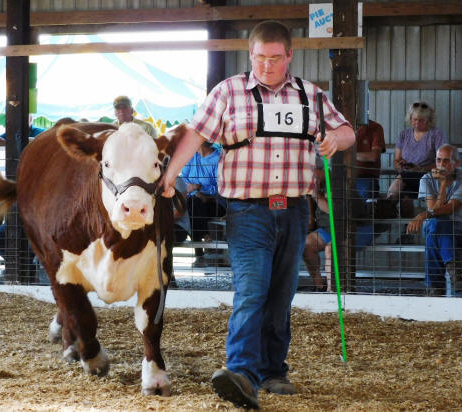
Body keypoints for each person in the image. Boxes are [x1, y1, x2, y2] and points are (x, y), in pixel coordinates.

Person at [160, 20, 355, 409]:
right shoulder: (228, 91)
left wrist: (336, 138)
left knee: (281, 293)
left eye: (275, 58)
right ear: (250, 54)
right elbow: (196, 133)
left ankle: (273, 370)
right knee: (252, 289)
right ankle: (241, 373)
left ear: (289, 55)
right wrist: (170, 176)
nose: (267, 65)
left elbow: (348, 131)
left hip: (295, 209)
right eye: (260, 57)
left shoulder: (311, 95)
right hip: (247, 209)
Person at [304, 120, 386, 291]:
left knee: (332, 248)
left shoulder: (335, 182)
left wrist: (315, 195)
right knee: (306, 244)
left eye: (312, 171)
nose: (309, 175)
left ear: (320, 170)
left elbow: (332, 210)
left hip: (356, 227)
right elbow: (311, 216)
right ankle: (319, 283)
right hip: (330, 229)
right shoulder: (314, 185)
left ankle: (332, 291)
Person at [407, 144, 462, 297]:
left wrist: (422, 215)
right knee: (437, 224)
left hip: (459, 227)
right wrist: (443, 184)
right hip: (436, 225)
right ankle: (455, 274)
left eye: (446, 161)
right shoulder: (426, 179)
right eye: (438, 160)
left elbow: (449, 208)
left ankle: (435, 288)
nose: (441, 165)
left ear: (456, 163)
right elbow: (434, 210)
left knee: (435, 231)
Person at [387, 101, 446, 217]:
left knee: (400, 181)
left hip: (428, 176)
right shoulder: (404, 135)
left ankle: (387, 206)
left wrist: (421, 168)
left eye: (422, 120)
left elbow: (442, 161)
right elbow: (396, 160)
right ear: (410, 119)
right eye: (415, 119)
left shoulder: (437, 134)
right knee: (405, 198)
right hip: (407, 174)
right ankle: (406, 227)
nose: (417, 123)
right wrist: (401, 165)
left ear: (429, 120)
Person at [180, 141, 225, 266]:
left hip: (215, 202)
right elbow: (184, 178)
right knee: (194, 203)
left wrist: (204, 192)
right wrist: (195, 190)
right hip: (194, 202)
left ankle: (199, 254)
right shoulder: (192, 156)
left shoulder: (217, 159)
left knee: (193, 206)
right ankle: (205, 234)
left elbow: (221, 187)